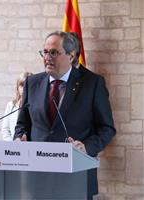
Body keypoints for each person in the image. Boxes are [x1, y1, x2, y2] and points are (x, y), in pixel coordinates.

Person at [14, 31, 116, 198]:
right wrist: (20, 137)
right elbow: (22, 125)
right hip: (37, 176)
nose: (47, 57)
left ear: (71, 55)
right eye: (45, 52)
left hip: (76, 175)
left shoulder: (92, 83)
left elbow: (107, 128)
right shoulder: (32, 83)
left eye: (54, 52)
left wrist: (86, 147)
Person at [1, 72, 32, 141]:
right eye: (22, 85)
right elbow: (5, 129)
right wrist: (13, 145)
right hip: (12, 147)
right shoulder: (11, 105)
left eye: (27, 85)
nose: (24, 89)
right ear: (17, 87)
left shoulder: (36, 106)